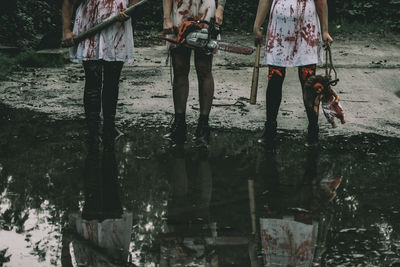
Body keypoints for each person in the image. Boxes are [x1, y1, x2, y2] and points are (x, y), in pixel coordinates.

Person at [253, 0, 333, 147]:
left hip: (306, 30)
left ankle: (313, 130)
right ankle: (270, 129)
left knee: (309, 82)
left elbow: (321, 2)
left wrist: (325, 30)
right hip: (279, 30)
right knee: (275, 79)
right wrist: (257, 25)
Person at [62, 0, 137, 151]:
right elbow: (68, 2)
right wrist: (66, 30)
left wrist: (129, 10)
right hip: (89, 25)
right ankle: (93, 132)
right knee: (92, 82)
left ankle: (109, 127)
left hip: (117, 27)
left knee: (112, 80)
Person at [162, 0, 226, 146]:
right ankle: (179, 124)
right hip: (179, 9)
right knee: (179, 68)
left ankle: (203, 126)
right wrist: (167, 18)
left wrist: (220, 8)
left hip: (206, 8)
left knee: (204, 69)